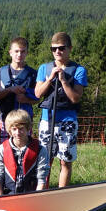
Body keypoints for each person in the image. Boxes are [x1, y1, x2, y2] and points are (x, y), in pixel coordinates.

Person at [34, 32, 88, 188]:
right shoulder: (44, 68)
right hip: (47, 120)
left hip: (67, 121)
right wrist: (50, 78)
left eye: (61, 48)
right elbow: (38, 93)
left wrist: (63, 80)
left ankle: (61, 193)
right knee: (45, 159)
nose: (57, 52)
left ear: (69, 49)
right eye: (54, 49)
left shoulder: (79, 70)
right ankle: (43, 191)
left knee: (65, 160)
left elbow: (75, 98)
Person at [0, 37, 38, 144]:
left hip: (24, 121)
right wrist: (10, 90)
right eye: (16, 51)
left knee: (23, 150)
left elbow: (38, 98)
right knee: (4, 151)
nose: (19, 54)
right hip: (5, 119)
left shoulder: (33, 74)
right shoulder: (1, 72)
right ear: (10, 52)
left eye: (22, 51)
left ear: (27, 53)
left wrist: (25, 99)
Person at [0, 109, 50, 195]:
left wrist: (36, 200)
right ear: (9, 130)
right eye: (14, 129)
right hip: (6, 195)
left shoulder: (41, 150)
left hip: (31, 196)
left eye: (21, 129)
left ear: (28, 128)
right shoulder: (1, 149)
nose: (18, 133)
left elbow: (41, 180)